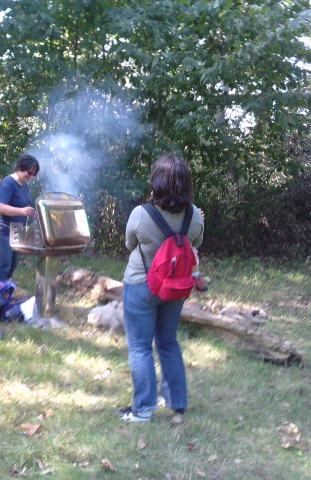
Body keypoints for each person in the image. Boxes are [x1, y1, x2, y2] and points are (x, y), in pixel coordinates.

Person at [120, 153, 204, 422]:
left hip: (141, 285)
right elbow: (196, 243)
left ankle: (143, 410)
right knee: (168, 342)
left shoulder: (141, 214)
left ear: (156, 182)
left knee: (140, 347)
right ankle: (177, 402)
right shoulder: (194, 216)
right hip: (177, 287)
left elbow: (129, 245)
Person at [0, 154, 40, 283]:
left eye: (34, 174)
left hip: (16, 231)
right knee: (3, 266)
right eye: (29, 173)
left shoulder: (24, 185)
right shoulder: (7, 183)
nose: (31, 177)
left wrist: (33, 213)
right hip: (2, 230)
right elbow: (0, 207)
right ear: (20, 168)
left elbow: (23, 204)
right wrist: (21, 211)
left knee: (12, 265)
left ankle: (5, 293)